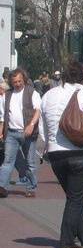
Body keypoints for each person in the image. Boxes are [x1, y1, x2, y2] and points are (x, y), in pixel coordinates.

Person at [40, 61, 83, 248]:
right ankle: (66, 241)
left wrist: (45, 148)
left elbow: (43, 129)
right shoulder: (81, 93)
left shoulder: (48, 95)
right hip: (80, 152)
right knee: (75, 198)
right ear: (82, 78)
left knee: (75, 196)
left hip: (56, 155)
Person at [0, 68, 42, 197]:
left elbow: (38, 110)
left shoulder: (32, 93)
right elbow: (3, 116)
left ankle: (31, 188)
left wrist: (31, 125)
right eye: (14, 82)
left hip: (27, 133)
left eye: (19, 81)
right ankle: (2, 187)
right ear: (11, 82)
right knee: (7, 161)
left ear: (23, 79)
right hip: (11, 133)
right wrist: (1, 131)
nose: (17, 84)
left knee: (30, 162)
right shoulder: (7, 95)